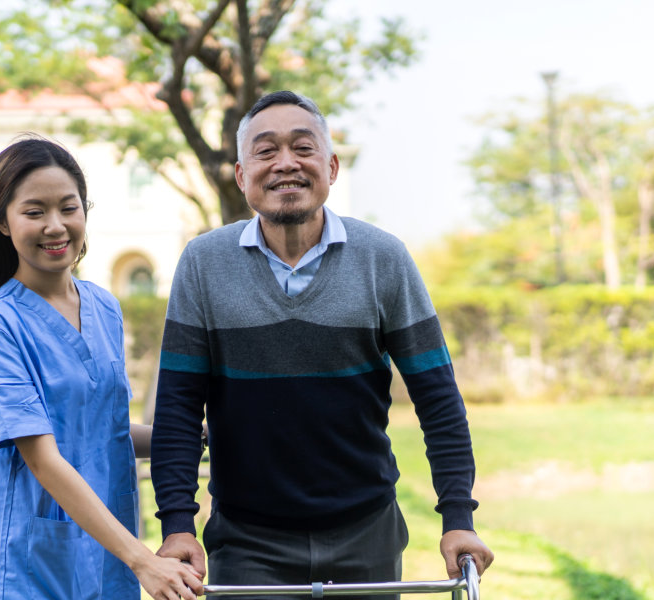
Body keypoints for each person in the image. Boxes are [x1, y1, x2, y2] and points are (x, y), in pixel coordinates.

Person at [150, 91, 495, 598]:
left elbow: (438, 400)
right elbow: (179, 409)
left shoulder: (384, 259)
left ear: (331, 167)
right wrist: (177, 524)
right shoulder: (204, 264)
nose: (286, 163)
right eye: (266, 151)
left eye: (302, 148)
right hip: (247, 542)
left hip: (367, 533)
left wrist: (459, 516)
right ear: (243, 176)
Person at [0, 137, 203, 600]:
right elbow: (43, 458)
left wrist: (199, 437)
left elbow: (106, 430)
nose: (55, 226)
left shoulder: (104, 306)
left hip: (105, 556)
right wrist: (142, 559)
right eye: (34, 212)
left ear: (84, 212)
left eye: (68, 208)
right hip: (36, 563)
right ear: (2, 222)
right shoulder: (0, 322)